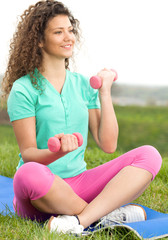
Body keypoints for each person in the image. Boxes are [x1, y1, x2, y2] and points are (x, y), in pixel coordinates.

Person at [2, 0, 162, 235]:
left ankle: (78, 221)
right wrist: (58, 152)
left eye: (70, 30)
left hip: (79, 184)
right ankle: (102, 217)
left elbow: (108, 145)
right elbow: (28, 154)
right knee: (27, 173)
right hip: (41, 191)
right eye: (58, 32)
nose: (69, 37)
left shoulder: (82, 85)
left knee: (149, 155)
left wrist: (104, 93)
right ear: (39, 40)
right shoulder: (23, 89)